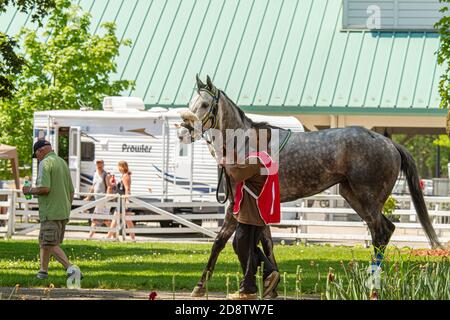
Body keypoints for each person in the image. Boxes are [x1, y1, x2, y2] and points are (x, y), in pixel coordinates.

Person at [221, 149, 280, 300]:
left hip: (251, 214)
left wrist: (228, 162)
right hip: (256, 213)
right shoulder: (264, 158)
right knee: (243, 246)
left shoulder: (254, 161)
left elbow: (237, 175)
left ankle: (248, 290)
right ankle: (268, 272)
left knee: (244, 248)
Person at [22, 140, 82, 280]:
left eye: (36, 155)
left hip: (50, 211)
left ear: (40, 151)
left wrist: (29, 190)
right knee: (44, 241)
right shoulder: (62, 162)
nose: (37, 159)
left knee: (49, 243)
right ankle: (42, 272)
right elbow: (71, 191)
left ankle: (71, 269)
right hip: (62, 211)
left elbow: (45, 188)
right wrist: (66, 206)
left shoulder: (45, 163)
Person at [108, 161, 135, 240]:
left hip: (123, 200)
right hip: (121, 200)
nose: (118, 168)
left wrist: (127, 200)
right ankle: (133, 238)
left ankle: (108, 237)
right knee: (127, 221)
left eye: (119, 166)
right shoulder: (124, 175)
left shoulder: (125, 176)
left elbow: (127, 188)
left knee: (117, 219)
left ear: (123, 167)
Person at [84, 159, 112, 238]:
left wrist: (107, 198)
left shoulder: (106, 175)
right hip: (98, 200)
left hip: (103, 201)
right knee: (106, 220)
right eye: (97, 164)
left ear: (103, 164)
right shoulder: (95, 174)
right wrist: (88, 197)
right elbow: (93, 187)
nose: (99, 165)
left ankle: (89, 237)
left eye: (100, 164)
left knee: (95, 219)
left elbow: (109, 187)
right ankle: (114, 235)